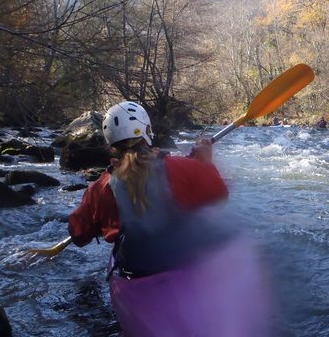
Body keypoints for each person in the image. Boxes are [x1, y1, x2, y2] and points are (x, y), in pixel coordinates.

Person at [68, 100, 230, 277]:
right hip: (183, 261)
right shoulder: (180, 166)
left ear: (111, 142)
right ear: (147, 131)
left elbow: (78, 235)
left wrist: (99, 223)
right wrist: (206, 163)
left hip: (136, 271)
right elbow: (219, 195)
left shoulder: (99, 188)